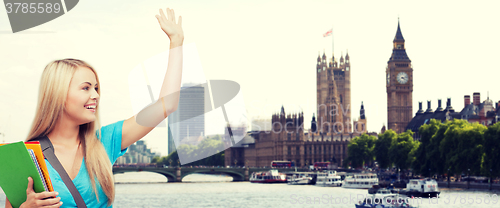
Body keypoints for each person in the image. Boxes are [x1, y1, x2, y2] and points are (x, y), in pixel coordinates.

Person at [5, 7, 183, 208]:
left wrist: (176, 42)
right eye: (86, 88)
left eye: (97, 88)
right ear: (58, 95)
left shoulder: (105, 141)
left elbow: (167, 104)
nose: (96, 95)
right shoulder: (25, 156)